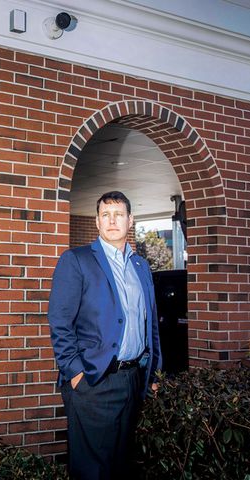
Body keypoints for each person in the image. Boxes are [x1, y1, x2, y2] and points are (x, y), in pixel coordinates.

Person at [48, 190, 162, 479]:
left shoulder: (141, 266)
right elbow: (60, 322)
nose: (112, 220)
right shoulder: (76, 260)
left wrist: (153, 372)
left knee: (121, 466)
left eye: (119, 214)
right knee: (92, 471)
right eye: (105, 215)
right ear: (97, 222)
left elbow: (150, 325)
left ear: (130, 220)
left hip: (132, 380)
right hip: (93, 382)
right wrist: (76, 373)